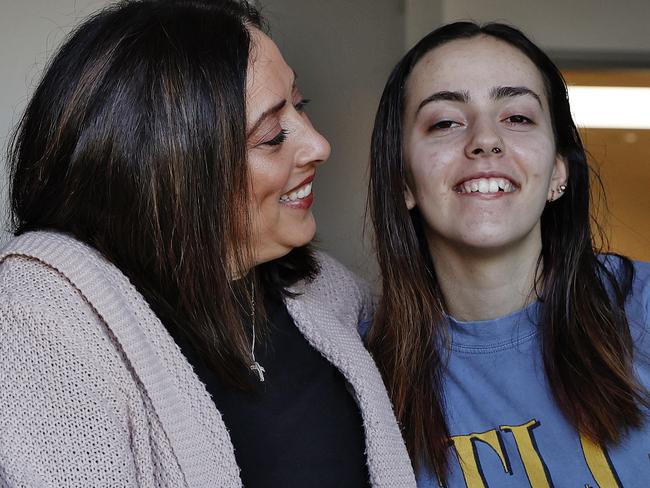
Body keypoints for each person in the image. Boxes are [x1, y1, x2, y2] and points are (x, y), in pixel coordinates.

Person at [0, 1, 416, 486]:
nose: (319, 145)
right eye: (272, 134)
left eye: (300, 106)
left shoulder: (326, 290)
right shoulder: (42, 313)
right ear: (169, 172)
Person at [367, 21, 650, 487]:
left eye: (517, 117)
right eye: (445, 122)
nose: (485, 140)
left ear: (558, 169)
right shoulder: (358, 375)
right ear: (402, 180)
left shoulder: (639, 308)